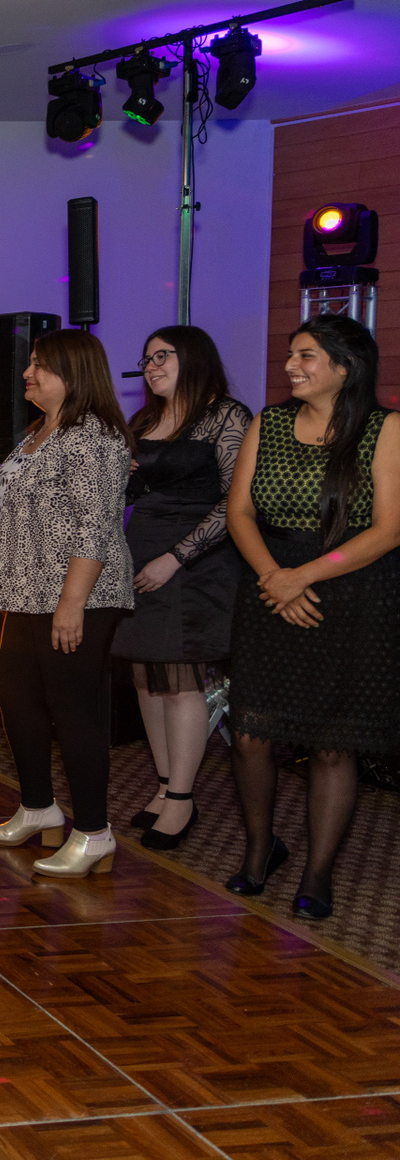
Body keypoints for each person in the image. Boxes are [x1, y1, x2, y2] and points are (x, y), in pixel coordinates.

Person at [224, 316, 399, 921]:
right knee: (250, 733)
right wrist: (275, 576)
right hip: (269, 585)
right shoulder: (266, 423)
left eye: (306, 356)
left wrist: (304, 577)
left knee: (331, 743)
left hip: (349, 594)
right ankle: (258, 851)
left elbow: (389, 529)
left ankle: (318, 872)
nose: (290, 367)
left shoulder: (384, 429)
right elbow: (239, 513)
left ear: (344, 368)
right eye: (290, 355)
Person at [0, 329, 134, 879]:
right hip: (28, 591)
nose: (27, 373)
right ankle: (39, 807)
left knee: (74, 710)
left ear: (73, 373)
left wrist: (72, 603)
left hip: (76, 594)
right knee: (13, 691)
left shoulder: (94, 437)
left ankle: (94, 833)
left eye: (40, 365)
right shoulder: (40, 432)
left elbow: (95, 528)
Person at [110, 328, 251, 849]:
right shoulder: (145, 421)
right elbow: (127, 492)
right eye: (146, 359)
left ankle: (183, 798)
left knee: (178, 677)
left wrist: (176, 558)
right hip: (142, 548)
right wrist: (118, 473)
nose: (150, 366)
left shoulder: (227, 415)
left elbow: (236, 501)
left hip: (197, 559)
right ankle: (166, 785)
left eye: (161, 356)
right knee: (146, 677)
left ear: (192, 357)